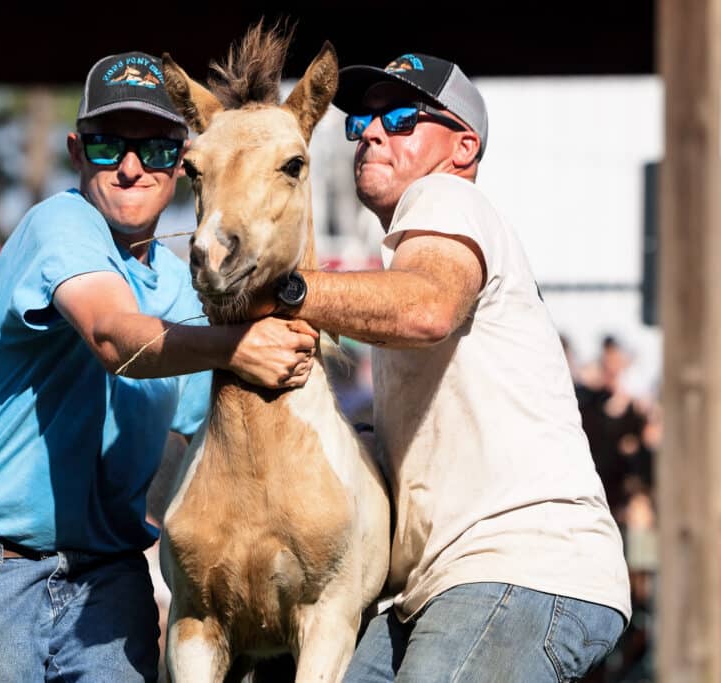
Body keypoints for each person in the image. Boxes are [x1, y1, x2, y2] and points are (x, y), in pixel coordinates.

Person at [0, 51, 318, 682]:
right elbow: (112, 335)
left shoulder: (184, 297)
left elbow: (210, 439)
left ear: (181, 163)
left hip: (110, 583)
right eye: (107, 147)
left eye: (154, 148)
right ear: (77, 152)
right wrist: (235, 346)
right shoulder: (59, 223)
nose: (131, 168)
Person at [262, 53, 631, 681]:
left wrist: (284, 289)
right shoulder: (406, 261)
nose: (373, 131)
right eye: (362, 122)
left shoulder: (447, 198)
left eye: (402, 116)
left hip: (518, 567)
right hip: (437, 587)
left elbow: (427, 308)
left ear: (463, 147)